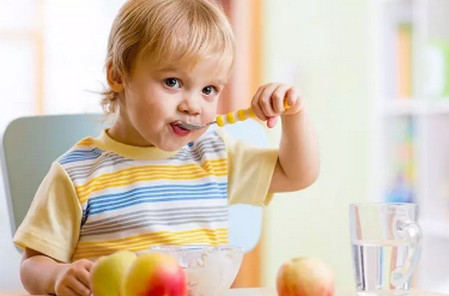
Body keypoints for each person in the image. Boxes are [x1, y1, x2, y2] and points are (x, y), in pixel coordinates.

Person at [13, 0, 319, 295]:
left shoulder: (212, 154)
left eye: (209, 89)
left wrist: (295, 116)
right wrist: (56, 277)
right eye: (172, 82)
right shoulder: (76, 172)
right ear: (118, 75)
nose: (193, 105)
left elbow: (297, 174)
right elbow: (33, 264)